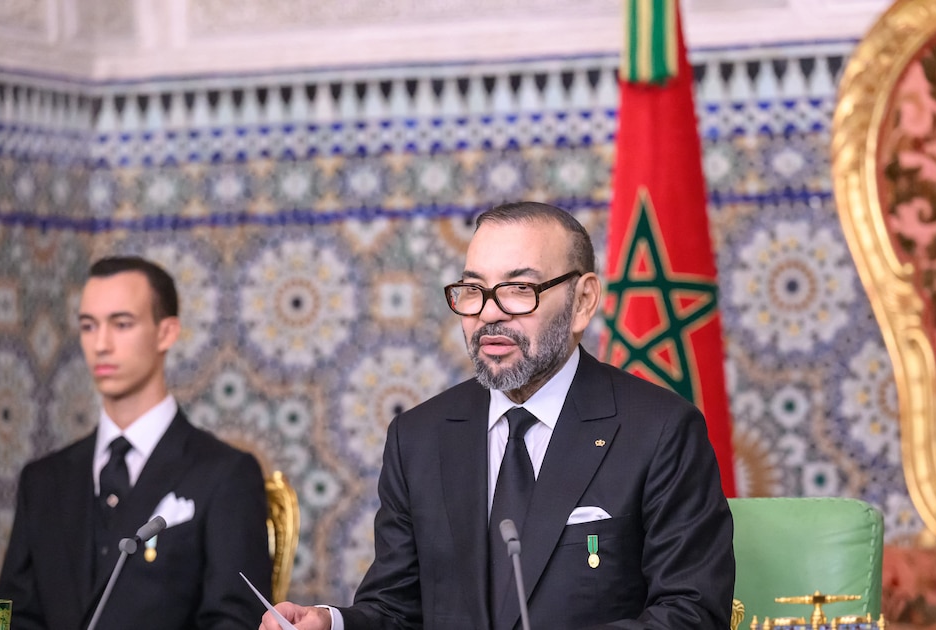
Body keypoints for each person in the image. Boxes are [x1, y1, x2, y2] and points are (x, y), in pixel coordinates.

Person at [261, 201, 735, 630]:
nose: (489, 314)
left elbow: (690, 612)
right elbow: (397, 609)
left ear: (583, 301)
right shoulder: (419, 437)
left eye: (517, 289)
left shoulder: (659, 430)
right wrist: (332, 624)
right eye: (473, 290)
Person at [0, 255, 272, 630]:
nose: (101, 344)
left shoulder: (225, 474)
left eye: (121, 324)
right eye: (88, 326)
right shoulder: (42, 480)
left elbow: (236, 621)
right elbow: (16, 617)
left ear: (166, 332)